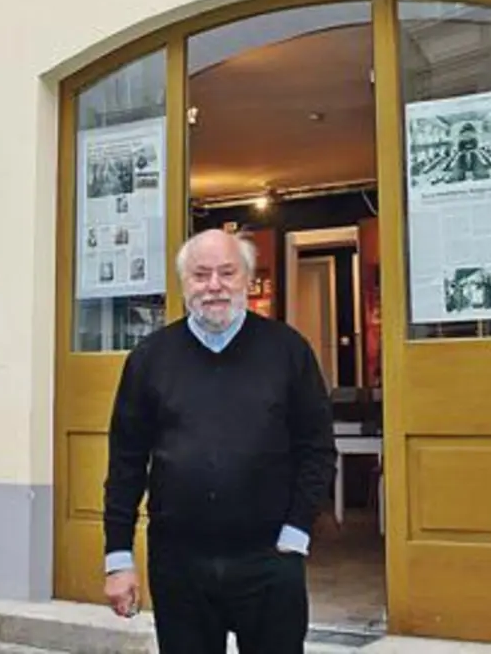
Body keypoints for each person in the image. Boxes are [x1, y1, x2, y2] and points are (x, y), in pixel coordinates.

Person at [101, 228, 337, 654]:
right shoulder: (150, 359)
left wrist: (297, 531)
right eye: (201, 274)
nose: (214, 285)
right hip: (179, 565)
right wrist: (118, 558)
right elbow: (125, 463)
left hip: (270, 560)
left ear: (247, 278)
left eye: (227, 273)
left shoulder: (288, 351)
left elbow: (317, 449)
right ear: (183, 283)